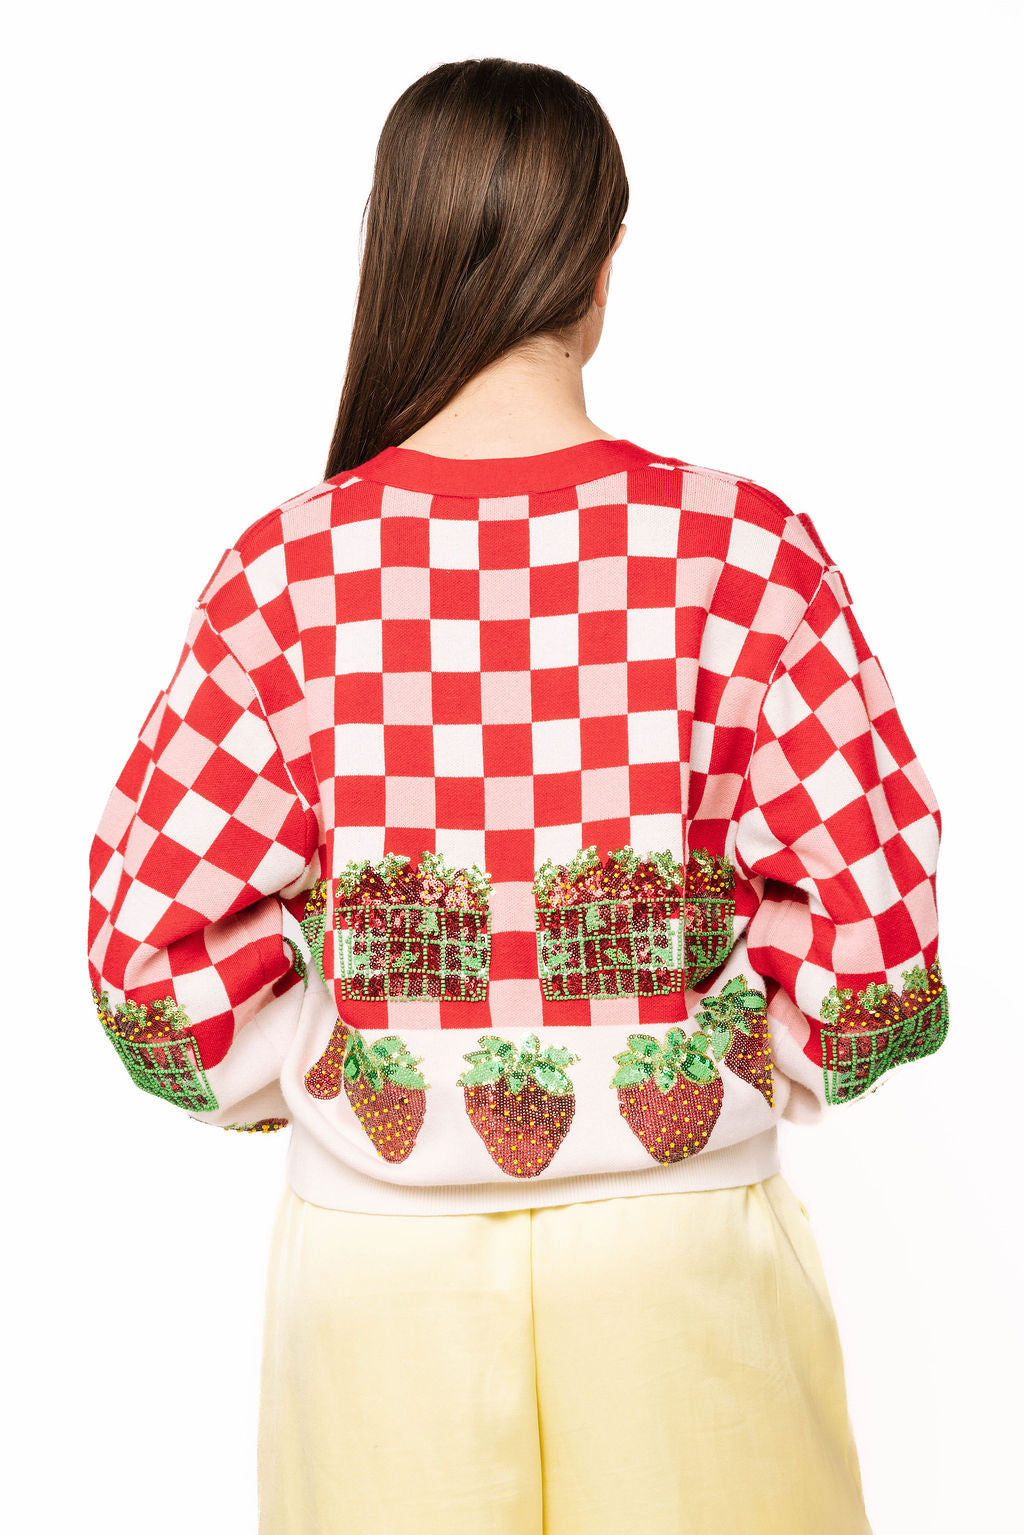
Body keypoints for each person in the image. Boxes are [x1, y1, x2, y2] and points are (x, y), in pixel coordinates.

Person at [86, 57, 949, 1535]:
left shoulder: (284, 577)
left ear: (398, 248)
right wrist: (720, 1066)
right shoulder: (748, 554)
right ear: (604, 262)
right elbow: (877, 941)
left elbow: (148, 964)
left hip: (376, 1290)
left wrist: (354, 1073)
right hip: (685, 1266)